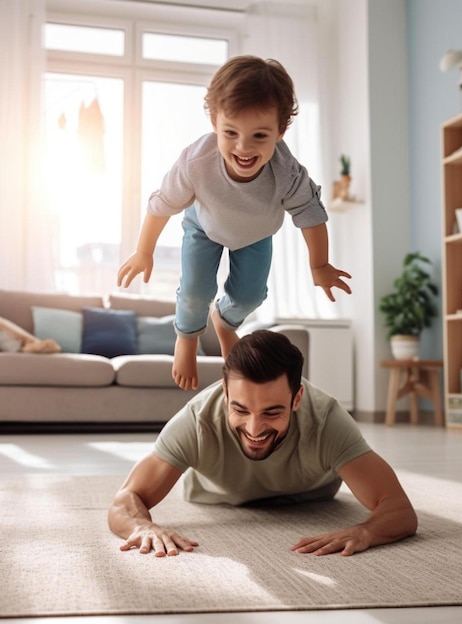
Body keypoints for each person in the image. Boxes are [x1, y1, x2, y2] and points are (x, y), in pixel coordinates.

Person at [117, 55, 352, 391]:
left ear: (280, 131)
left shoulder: (286, 171)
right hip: (204, 226)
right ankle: (187, 338)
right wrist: (144, 251)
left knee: (250, 296)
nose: (243, 147)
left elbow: (310, 215)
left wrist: (321, 265)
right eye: (231, 132)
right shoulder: (196, 162)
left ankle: (225, 321)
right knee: (197, 291)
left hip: (255, 233)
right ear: (214, 122)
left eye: (259, 135)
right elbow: (162, 205)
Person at [108, 330, 417, 558]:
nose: (255, 429)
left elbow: (400, 510)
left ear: (297, 398)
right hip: (218, 500)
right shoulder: (197, 421)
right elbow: (126, 498)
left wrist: (365, 532)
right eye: (240, 410)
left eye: (272, 412)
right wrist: (141, 527)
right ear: (226, 395)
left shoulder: (326, 420)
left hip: (309, 500)